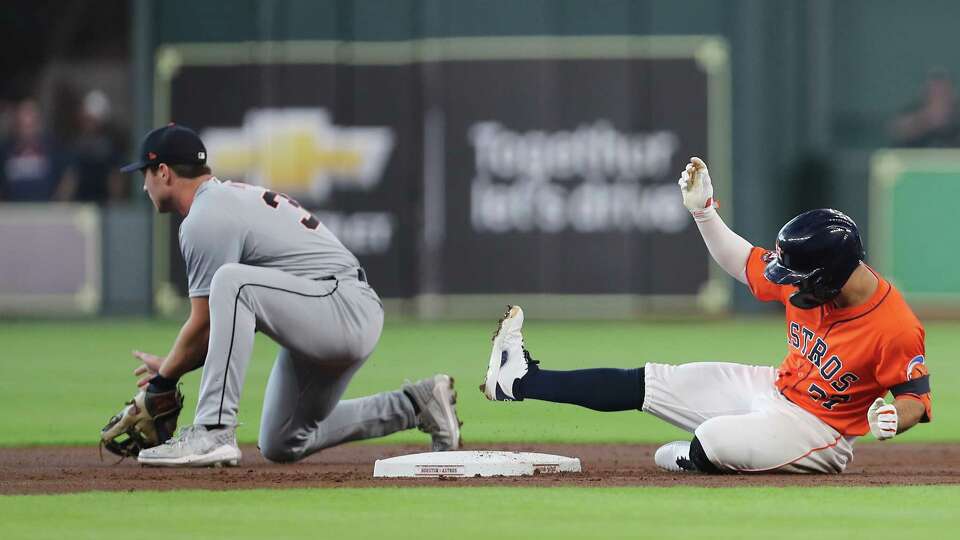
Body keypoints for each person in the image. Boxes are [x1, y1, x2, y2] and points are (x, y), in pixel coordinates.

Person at [481, 157, 932, 474]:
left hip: (820, 432)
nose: (788, 283)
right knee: (654, 382)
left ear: (829, 275)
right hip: (776, 386)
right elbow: (741, 261)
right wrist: (703, 212)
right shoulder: (810, 275)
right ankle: (519, 380)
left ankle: (697, 457)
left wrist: (895, 416)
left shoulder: (894, 326)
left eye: (798, 277)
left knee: (715, 439)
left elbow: (915, 397)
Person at [118, 124, 461, 467]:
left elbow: (205, 321)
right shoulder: (225, 200)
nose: (143, 184)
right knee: (282, 439)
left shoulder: (205, 215)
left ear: (163, 172)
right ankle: (418, 404)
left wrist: (166, 377)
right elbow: (224, 326)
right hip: (331, 310)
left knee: (232, 283)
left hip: (341, 305)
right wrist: (171, 367)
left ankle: (213, 429)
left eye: (144, 173)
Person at [0, 98, 74, 201]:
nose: (27, 131)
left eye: (31, 125)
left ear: (38, 124)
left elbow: (68, 176)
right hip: (13, 211)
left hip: (44, 211)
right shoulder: (5, 149)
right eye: (23, 125)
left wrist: (59, 204)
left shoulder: (53, 147)